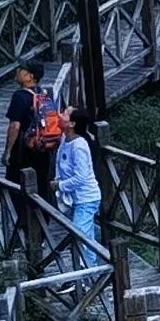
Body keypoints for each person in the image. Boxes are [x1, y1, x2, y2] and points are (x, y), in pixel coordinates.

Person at [51, 110, 104, 264]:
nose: (60, 115)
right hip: (75, 198)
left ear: (72, 124)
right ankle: (90, 274)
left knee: (78, 235)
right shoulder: (64, 138)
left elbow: (82, 177)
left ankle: (84, 275)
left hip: (87, 198)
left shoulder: (79, 146)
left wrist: (59, 185)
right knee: (86, 235)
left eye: (65, 115)